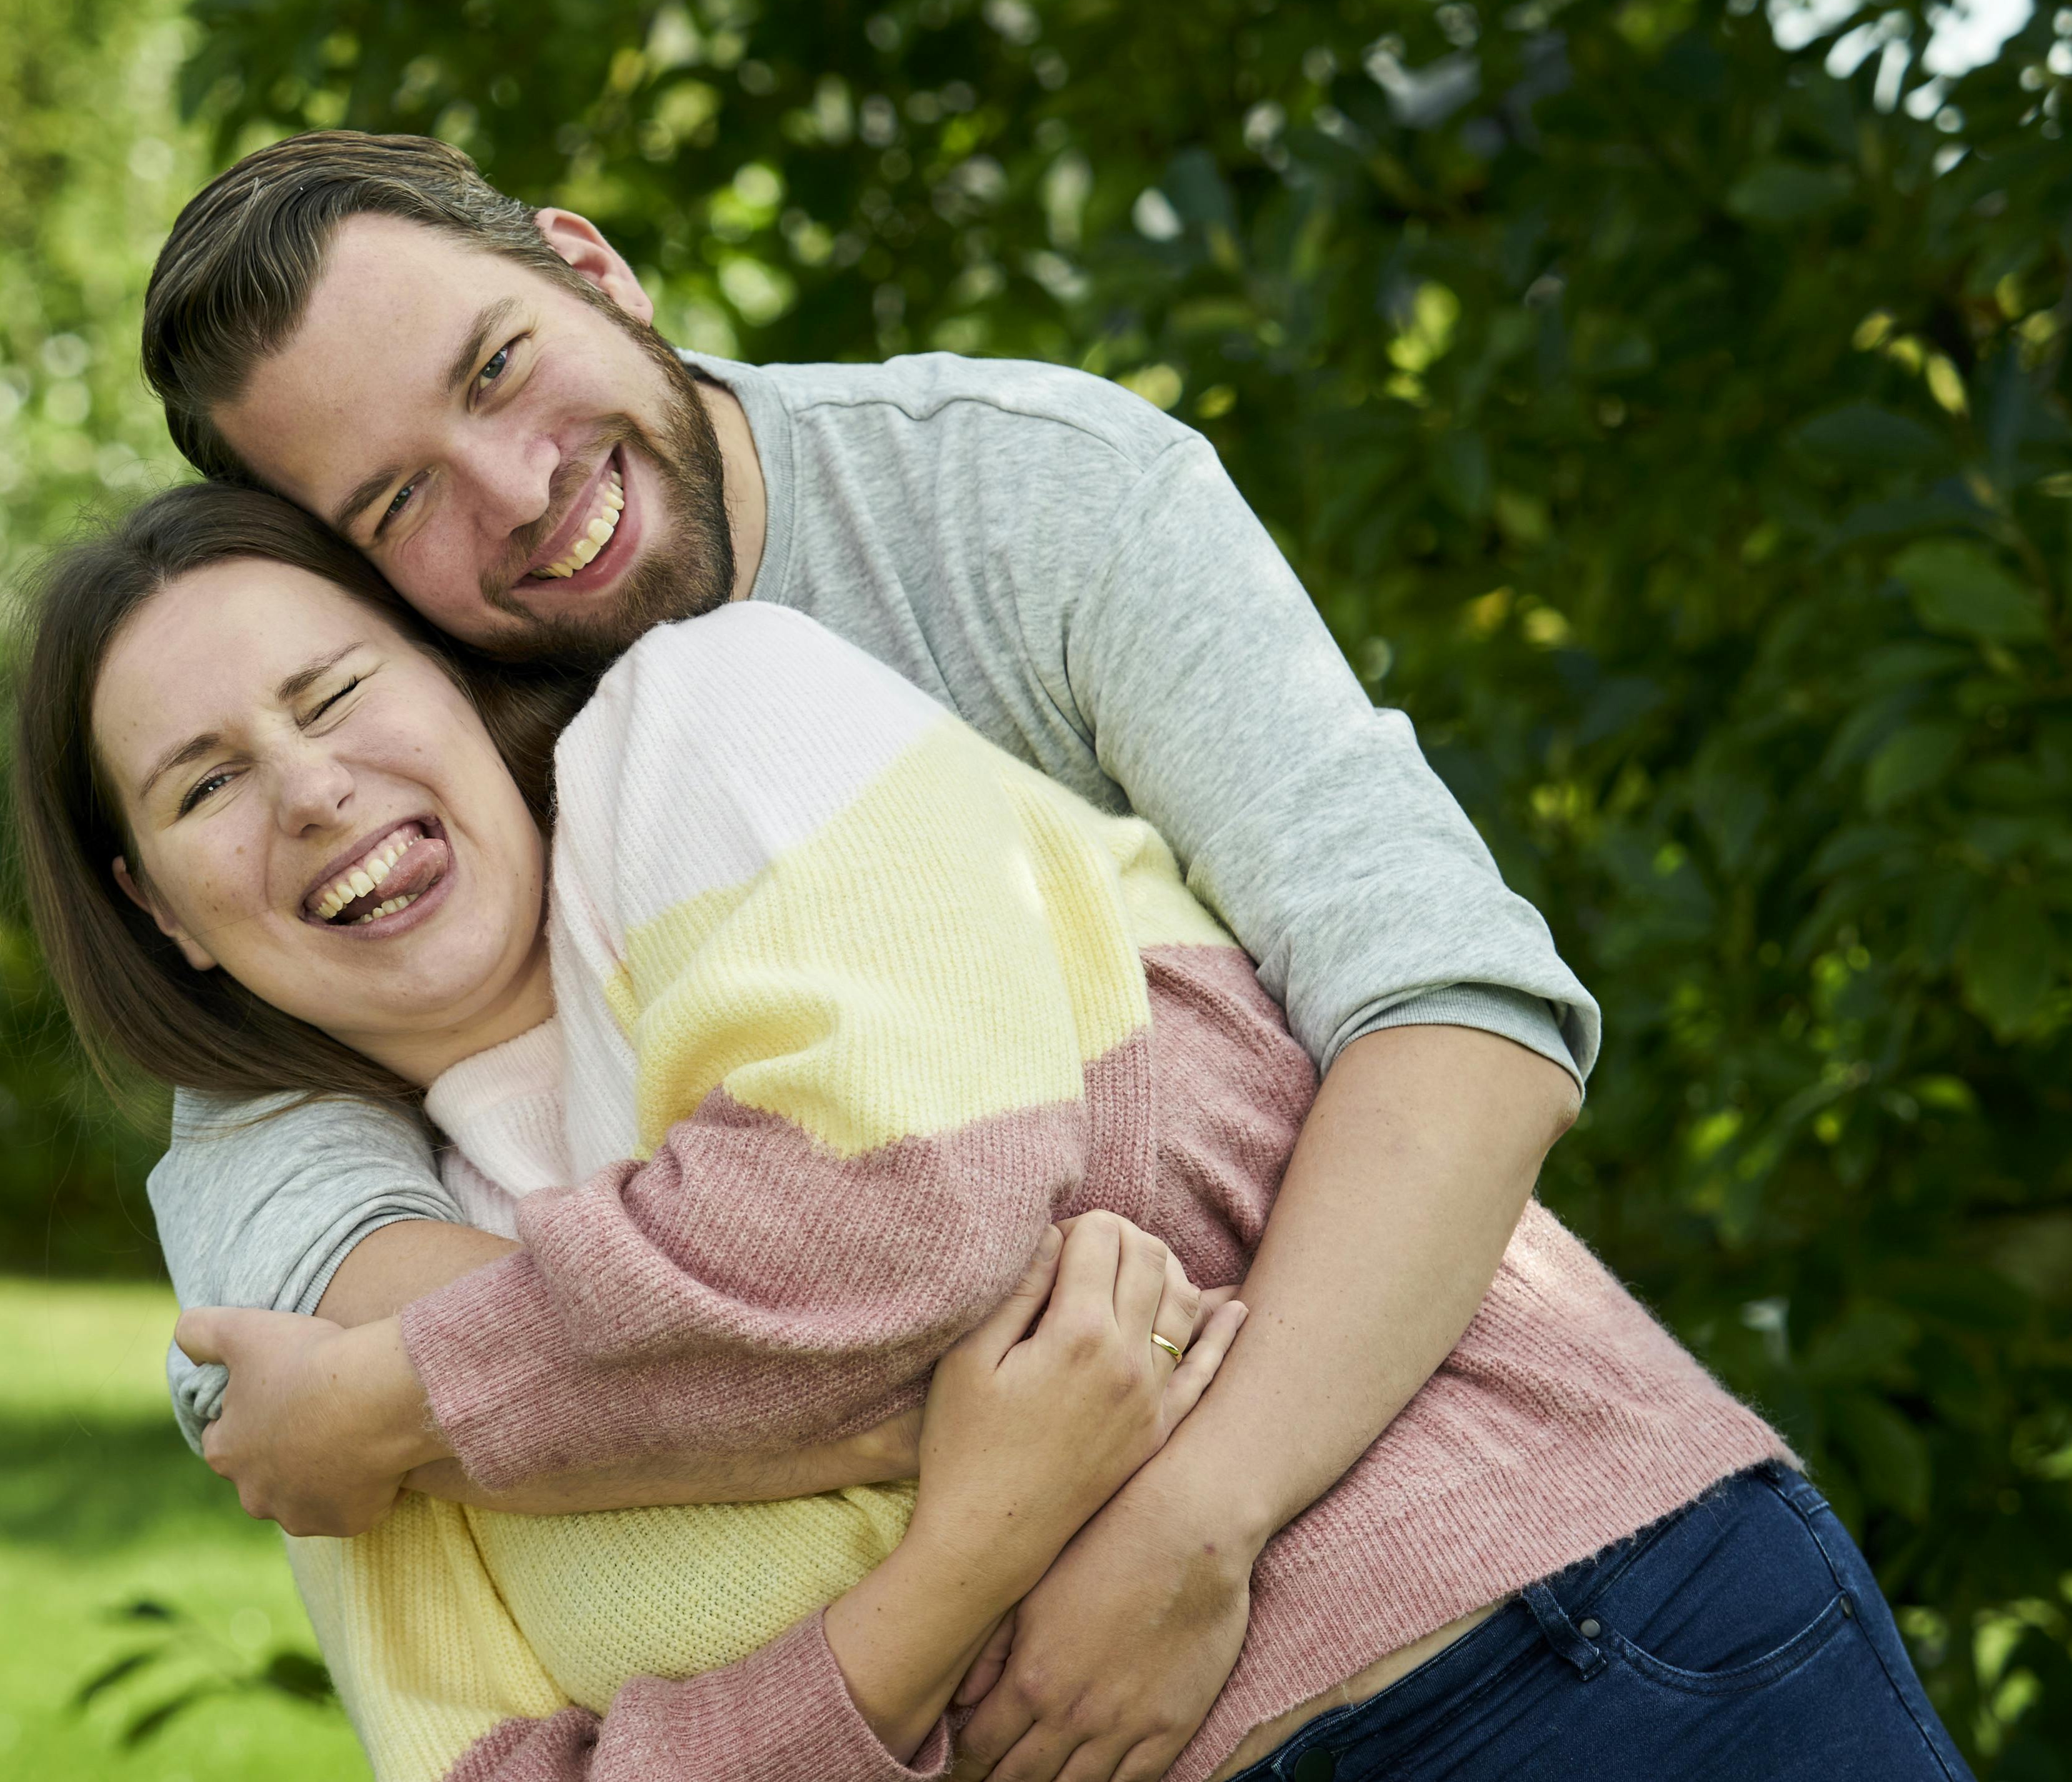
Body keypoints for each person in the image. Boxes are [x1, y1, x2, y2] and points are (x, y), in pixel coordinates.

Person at [8, 486, 1971, 1782]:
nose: (311, 788)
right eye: (204, 784)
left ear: (464, 682)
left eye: (339, 689)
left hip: (1552, 1668)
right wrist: (965, 1553)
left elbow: (911, 1221)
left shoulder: (713, 741)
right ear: (160, 906)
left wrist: (419, 1407)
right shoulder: (328, 1274)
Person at [134, 128, 1592, 1776]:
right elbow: (281, 1329)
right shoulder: (400, 767)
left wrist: (1189, 1513)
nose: (518, 489)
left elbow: (1457, 1013)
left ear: (593, 269)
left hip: (1534, 1619)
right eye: (397, 502)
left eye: (500, 366)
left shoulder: (1020, 497)